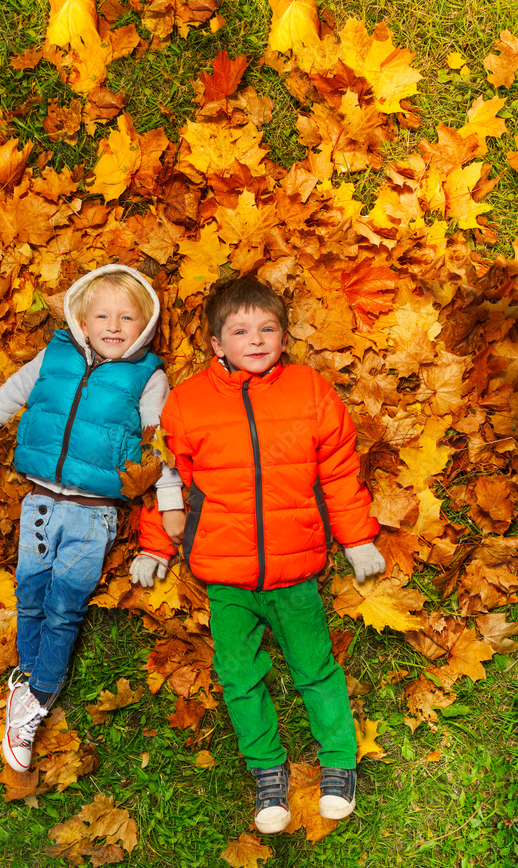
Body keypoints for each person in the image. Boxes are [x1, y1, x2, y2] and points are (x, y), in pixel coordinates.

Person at [152, 276, 384, 834]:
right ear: (216, 343)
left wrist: (357, 539)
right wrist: (156, 543)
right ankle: (266, 772)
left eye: (267, 329)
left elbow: (338, 470)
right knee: (239, 675)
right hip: (225, 574)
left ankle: (337, 763)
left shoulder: (308, 391)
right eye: (240, 331)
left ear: (283, 337)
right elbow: (167, 479)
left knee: (315, 669)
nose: (255, 340)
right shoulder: (187, 403)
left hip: (296, 568)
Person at [0, 264, 184, 773]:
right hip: (40, 502)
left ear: (145, 325)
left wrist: (170, 498)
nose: (113, 325)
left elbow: (159, 445)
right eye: (102, 315)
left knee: (64, 605)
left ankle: (37, 696)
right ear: (82, 322)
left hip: (93, 515)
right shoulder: (56, 354)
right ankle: (27, 678)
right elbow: (16, 389)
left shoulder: (148, 376)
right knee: (29, 591)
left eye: (127, 317)